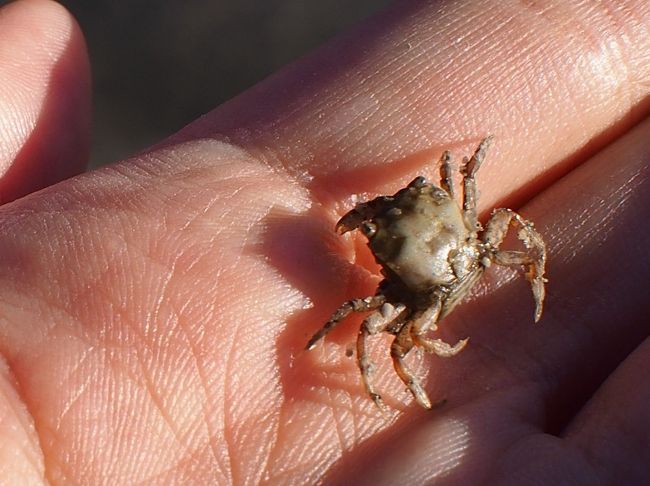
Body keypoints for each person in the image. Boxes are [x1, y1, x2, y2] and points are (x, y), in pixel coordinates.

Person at [0, 0, 648, 483]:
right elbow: (372, 322)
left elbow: (492, 206)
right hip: (447, 268)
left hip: (449, 262)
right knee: (372, 325)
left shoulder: (450, 233)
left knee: (393, 307)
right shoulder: (421, 271)